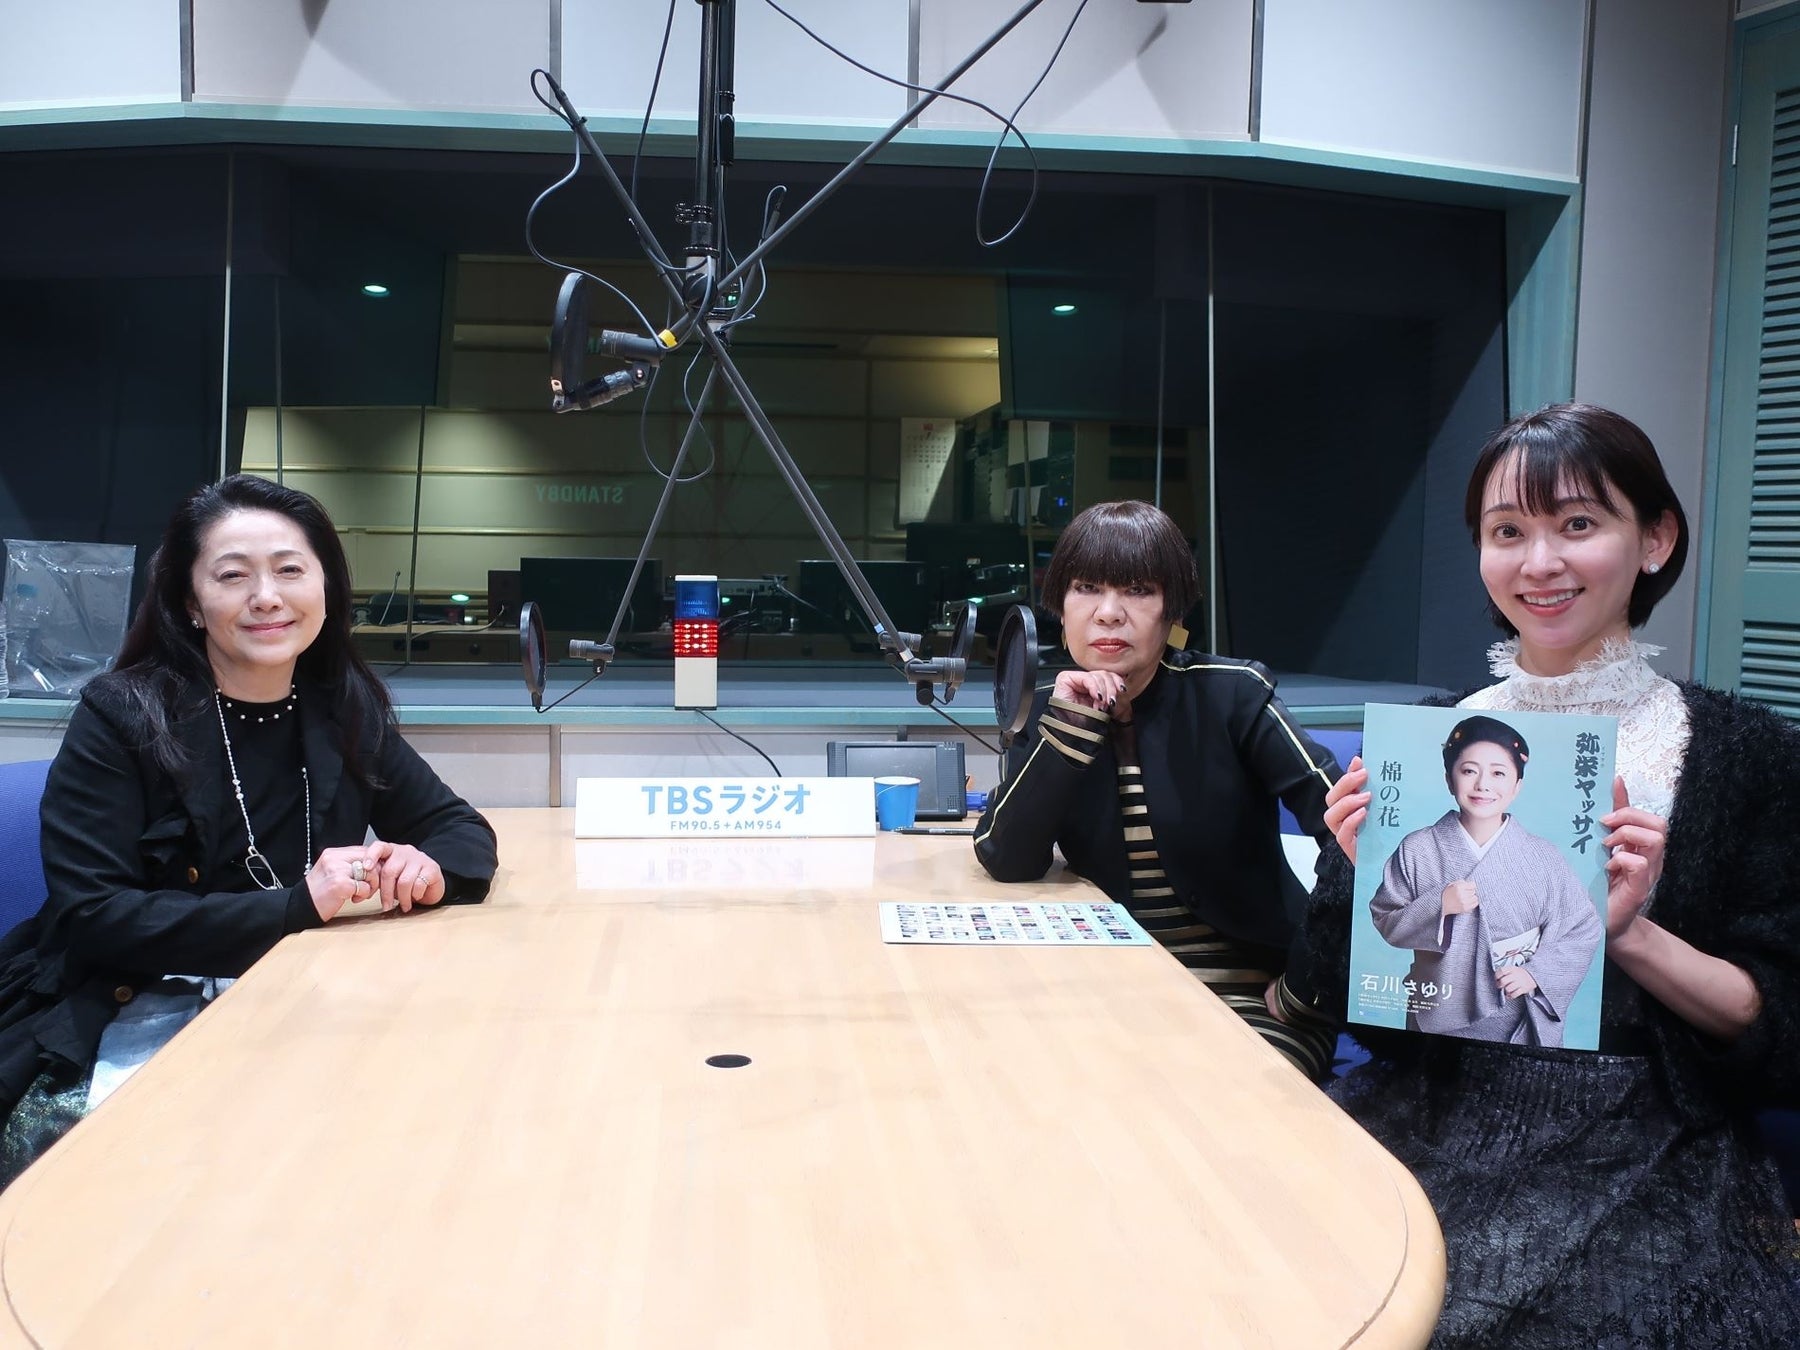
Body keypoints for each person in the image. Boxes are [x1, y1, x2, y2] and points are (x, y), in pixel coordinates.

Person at [1274, 403, 1800, 1347]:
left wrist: (1628, 932)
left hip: (1646, 1132)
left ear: (1655, 540)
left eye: (1579, 524)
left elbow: (1785, 1028)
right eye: (1508, 531)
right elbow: (1352, 1008)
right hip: (1440, 1102)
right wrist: (1360, 883)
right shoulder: (1426, 743)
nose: (1540, 562)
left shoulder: (1747, 755)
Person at [0, 474, 498, 1187]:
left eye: (290, 570)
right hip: (128, 1000)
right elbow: (97, 917)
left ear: (325, 587)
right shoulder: (123, 715)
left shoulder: (341, 706)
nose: (267, 597)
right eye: (233, 576)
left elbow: (455, 826)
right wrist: (297, 905)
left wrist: (426, 868)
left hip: (296, 996)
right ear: (190, 602)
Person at [973, 500, 1343, 1078]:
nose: (1109, 613)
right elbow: (1007, 857)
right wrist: (1069, 727)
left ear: (1171, 610)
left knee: (1224, 1098)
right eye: (1086, 588)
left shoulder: (1233, 693)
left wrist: (1305, 985)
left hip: (1251, 996)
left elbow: (1355, 839)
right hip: (1111, 993)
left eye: (1138, 590)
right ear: (1060, 607)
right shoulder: (1049, 709)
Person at [1368, 714, 1602, 1048]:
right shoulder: (1417, 849)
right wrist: (1438, 905)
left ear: (1517, 786)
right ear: (1449, 780)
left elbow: (1583, 927)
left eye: (1498, 773)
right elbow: (1386, 918)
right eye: (1468, 771)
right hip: (1440, 1004)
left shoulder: (1544, 856)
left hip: (1516, 1008)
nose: (1482, 785)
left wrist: (1536, 973)